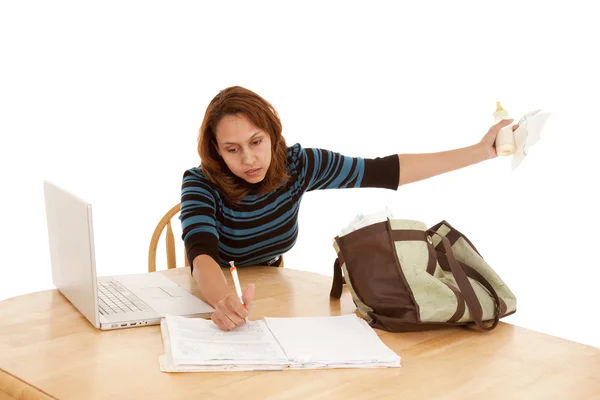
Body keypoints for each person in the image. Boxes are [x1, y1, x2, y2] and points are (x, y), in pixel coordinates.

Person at [180, 86, 516, 331]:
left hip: (273, 288)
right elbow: (202, 254)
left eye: (256, 142)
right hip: (212, 293)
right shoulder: (200, 182)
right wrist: (224, 300)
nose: (249, 159)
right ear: (217, 151)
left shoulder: (299, 165)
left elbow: (386, 171)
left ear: (272, 135)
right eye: (232, 149)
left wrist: (480, 151)